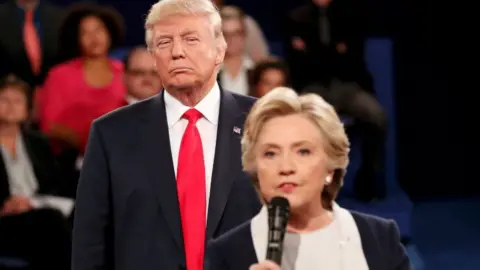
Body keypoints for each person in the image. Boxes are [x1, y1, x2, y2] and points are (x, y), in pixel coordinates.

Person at [72, 0, 261, 270]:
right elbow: (90, 244)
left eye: (190, 39)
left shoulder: (263, 122)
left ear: (220, 50)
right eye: (163, 43)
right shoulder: (111, 133)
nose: (177, 52)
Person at [206, 87, 411, 270]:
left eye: (303, 152)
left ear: (330, 168)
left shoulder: (380, 239)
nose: (285, 167)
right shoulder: (225, 255)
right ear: (255, 169)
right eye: (270, 153)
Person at [286, 0, 388, 201]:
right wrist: (335, 51)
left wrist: (313, 52)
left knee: (377, 117)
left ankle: (368, 179)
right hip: (312, 87)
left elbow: (353, 59)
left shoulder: (351, 14)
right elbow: (299, 65)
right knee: (312, 125)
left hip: (348, 86)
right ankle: (318, 186)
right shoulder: (296, 17)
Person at [0, 75, 72, 270]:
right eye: (4, 100)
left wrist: (32, 202)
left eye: (17, 101)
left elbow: (56, 184)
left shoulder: (38, 143)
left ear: (27, 109)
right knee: (50, 221)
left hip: (38, 207)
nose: (11, 106)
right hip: (7, 217)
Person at [38, 3, 126, 155]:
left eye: (98, 30)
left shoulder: (124, 72)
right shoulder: (60, 75)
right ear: (76, 39)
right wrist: (87, 144)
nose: (94, 38)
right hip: (71, 159)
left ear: (109, 32)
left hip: (122, 153)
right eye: (85, 33)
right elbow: (50, 125)